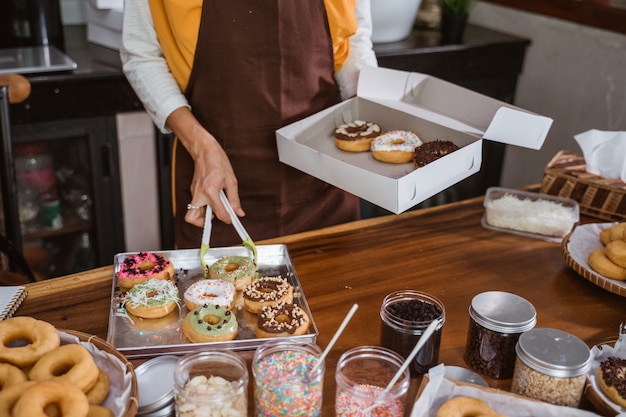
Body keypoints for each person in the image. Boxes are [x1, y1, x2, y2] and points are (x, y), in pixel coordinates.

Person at [120, 0, 378, 248]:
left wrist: (370, 119)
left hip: (325, 181)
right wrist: (201, 147)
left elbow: (353, 41)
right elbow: (142, 55)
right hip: (216, 188)